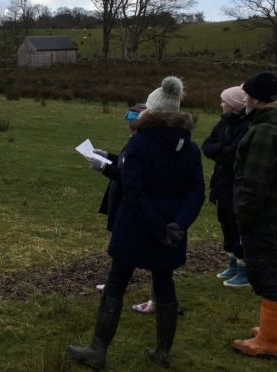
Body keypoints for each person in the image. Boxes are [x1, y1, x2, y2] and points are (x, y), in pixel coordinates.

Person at [67, 76, 205, 369]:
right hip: (170, 230)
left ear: (151, 112)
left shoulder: (140, 143)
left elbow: (134, 190)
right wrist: (176, 226)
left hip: (136, 227)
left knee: (116, 282)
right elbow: (196, 193)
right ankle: (163, 352)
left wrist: (157, 227)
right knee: (164, 283)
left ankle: (98, 350)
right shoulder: (191, 149)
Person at [232, 72, 277, 359]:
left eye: (248, 95)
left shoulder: (266, 131)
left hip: (266, 220)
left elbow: (254, 183)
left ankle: (271, 342)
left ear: (259, 99)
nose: (245, 100)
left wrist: (244, 217)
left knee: (267, 274)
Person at [92, 104, 157, 315]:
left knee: (151, 254)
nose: (127, 121)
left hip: (133, 203)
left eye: (132, 117)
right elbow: (123, 163)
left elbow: (128, 176)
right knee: (120, 245)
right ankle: (114, 283)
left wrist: (103, 167)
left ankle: (156, 299)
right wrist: (107, 156)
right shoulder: (134, 140)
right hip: (122, 200)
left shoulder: (143, 144)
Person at [202, 86, 252, 287]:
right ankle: (232, 261)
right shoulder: (223, 123)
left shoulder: (246, 126)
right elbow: (206, 146)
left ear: (233, 105)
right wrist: (223, 150)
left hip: (237, 184)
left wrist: (221, 151)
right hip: (221, 182)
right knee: (225, 222)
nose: (221, 104)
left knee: (238, 225)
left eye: (224, 101)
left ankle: (244, 268)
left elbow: (235, 153)